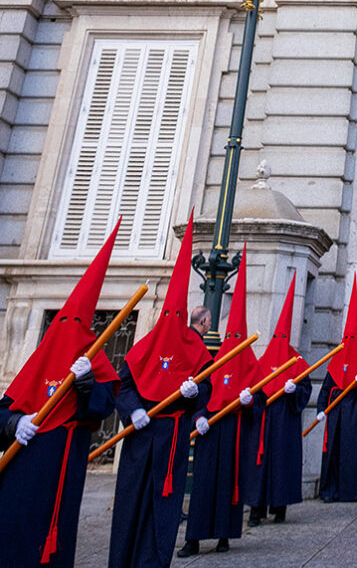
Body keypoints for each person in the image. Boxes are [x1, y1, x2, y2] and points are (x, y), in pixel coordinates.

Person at [0, 221, 120, 567]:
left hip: (62, 465)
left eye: (75, 326)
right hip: (23, 465)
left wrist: (85, 383)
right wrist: (14, 423)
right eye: (62, 324)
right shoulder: (37, 363)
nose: (67, 334)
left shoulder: (92, 360)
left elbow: (100, 410)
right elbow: (4, 409)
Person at [108, 215, 215, 568]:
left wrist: (192, 394)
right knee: (130, 501)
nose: (170, 317)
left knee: (163, 507)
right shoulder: (145, 345)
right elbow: (123, 383)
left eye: (176, 312)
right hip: (141, 435)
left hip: (172, 435)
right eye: (166, 312)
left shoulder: (196, 349)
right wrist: (133, 409)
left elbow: (206, 388)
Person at [180, 246, 263, 557]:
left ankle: (224, 536)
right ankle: (193, 539)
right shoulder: (214, 359)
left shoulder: (250, 360)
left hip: (235, 431)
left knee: (228, 485)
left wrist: (250, 398)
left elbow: (261, 397)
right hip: (211, 429)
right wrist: (200, 414)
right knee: (202, 485)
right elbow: (203, 388)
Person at [245, 272, 312, 526]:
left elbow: (306, 389)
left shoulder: (297, 362)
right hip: (265, 421)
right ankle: (256, 510)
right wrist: (253, 399)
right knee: (259, 466)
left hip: (285, 422)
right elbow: (255, 389)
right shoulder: (263, 361)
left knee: (282, 464)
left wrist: (295, 391)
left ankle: (280, 508)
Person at [316, 278, 357, 502]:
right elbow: (326, 387)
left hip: (352, 412)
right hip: (335, 411)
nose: (348, 342)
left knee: (350, 452)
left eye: (352, 337)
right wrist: (321, 408)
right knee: (333, 452)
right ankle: (330, 490)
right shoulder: (335, 359)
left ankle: (350, 491)